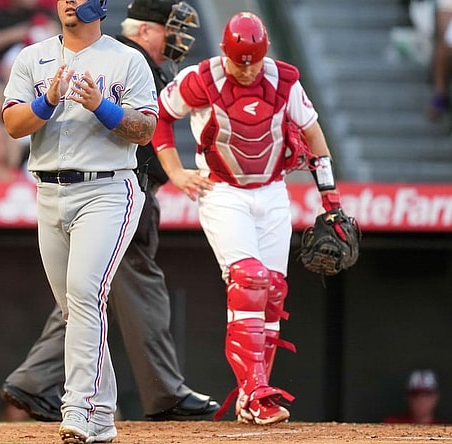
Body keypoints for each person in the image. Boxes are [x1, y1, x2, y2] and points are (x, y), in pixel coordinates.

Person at [0, 0, 218, 426]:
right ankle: (99, 411)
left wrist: (102, 105)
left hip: (107, 188)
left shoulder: (126, 60)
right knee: (75, 308)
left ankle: (80, 408)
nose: (67, 2)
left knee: (84, 295)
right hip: (48, 188)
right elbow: (13, 124)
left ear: (99, 5)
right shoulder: (33, 57)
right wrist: (47, 101)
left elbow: (146, 130)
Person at [151, 11, 352, 425]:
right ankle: (257, 392)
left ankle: (251, 396)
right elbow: (159, 116)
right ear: (225, 52)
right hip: (222, 190)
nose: (245, 70)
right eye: (237, 61)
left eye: (253, 61)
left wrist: (331, 199)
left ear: (264, 54)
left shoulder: (283, 80)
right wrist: (174, 172)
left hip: (272, 190)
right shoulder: (202, 78)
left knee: (274, 292)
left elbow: (313, 134)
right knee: (250, 280)